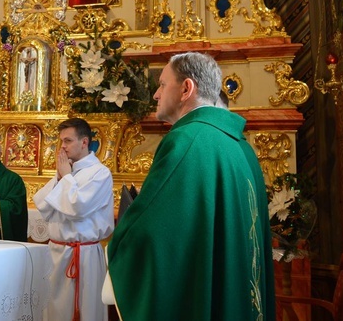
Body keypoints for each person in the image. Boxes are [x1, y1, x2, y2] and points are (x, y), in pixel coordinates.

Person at [106, 52, 275, 320]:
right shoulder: (240, 145)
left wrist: (119, 245)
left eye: (162, 85)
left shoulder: (186, 140)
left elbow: (149, 231)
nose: (156, 95)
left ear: (186, 88)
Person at [33, 118, 113, 321]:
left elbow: (77, 207)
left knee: (84, 311)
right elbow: (43, 206)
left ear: (84, 142)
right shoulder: (67, 171)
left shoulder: (100, 173)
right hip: (56, 253)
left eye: (68, 141)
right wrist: (61, 178)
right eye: (61, 141)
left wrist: (66, 177)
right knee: (53, 310)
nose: (63, 147)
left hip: (83, 254)